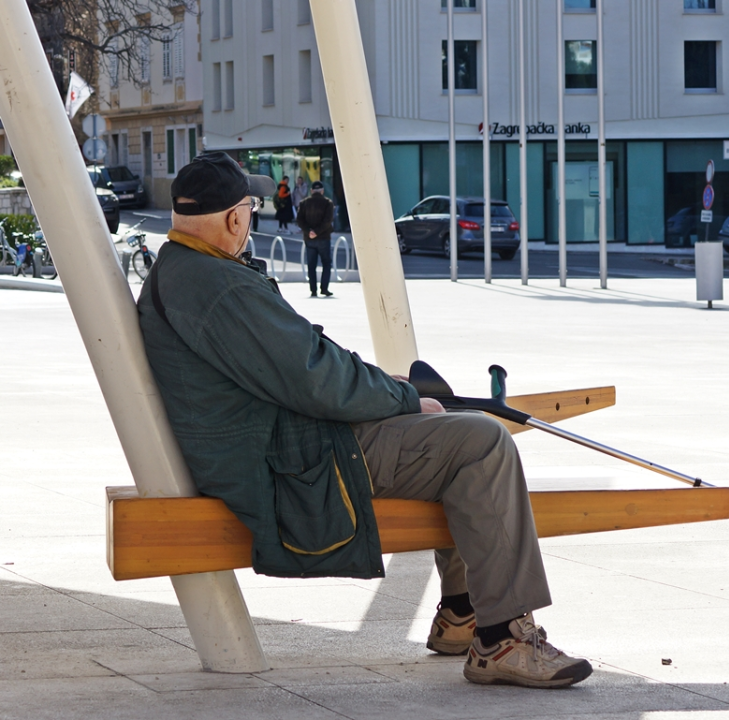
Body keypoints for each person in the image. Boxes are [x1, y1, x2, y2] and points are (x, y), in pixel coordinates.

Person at [136, 152, 592, 689]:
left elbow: (301, 366)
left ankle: (464, 615)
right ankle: (501, 639)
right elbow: (314, 376)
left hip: (266, 446)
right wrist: (402, 398)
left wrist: (397, 399)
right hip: (291, 461)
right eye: (251, 211)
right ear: (235, 218)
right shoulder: (219, 285)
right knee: (480, 441)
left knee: (453, 427)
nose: (252, 223)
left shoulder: (181, 269)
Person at [296, 180, 334, 297]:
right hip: (323, 237)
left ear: (311, 191)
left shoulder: (304, 203)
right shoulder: (328, 203)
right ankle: (324, 288)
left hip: (309, 239)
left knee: (311, 265)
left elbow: (299, 220)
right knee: (326, 263)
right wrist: (317, 232)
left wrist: (309, 231)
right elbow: (328, 221)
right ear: (322, 191)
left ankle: (313, 290)